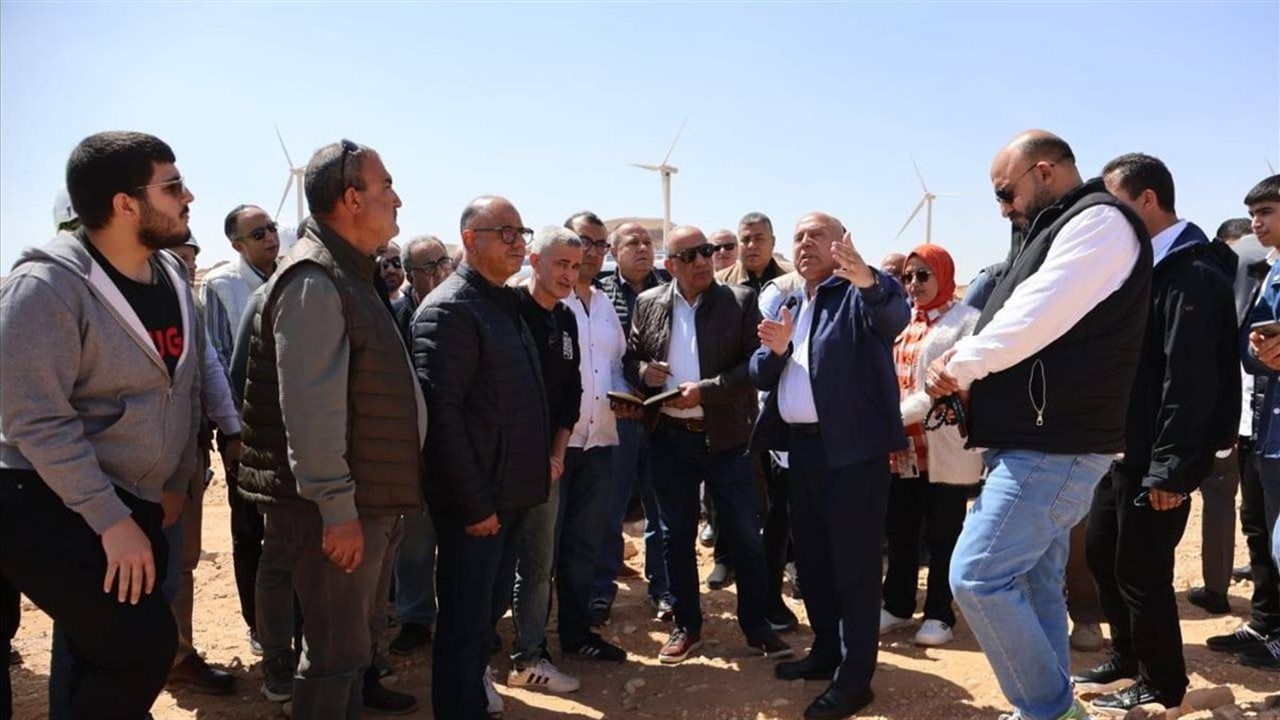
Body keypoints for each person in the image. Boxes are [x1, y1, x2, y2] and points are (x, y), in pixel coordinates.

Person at [926, 130, 1152, 720]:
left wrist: (960, 366)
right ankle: (1049, 711)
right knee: (1030, 582)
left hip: (1055, 445)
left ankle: (1052, 709)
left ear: (1045, 171)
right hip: (1032, 441)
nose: (1003, 208)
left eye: (1006, 193)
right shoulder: (1049, 230)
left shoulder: (1099, 222)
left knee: (977, 576)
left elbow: (1034, 315)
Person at [1, 130, 201, 718]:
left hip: (141, 499)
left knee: (98, 655)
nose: (188, 196)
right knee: (140, 648)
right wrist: (110, 520)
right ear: (124, 204)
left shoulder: (171, 278)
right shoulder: (46, 287)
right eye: (172, 186)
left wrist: (176, 477)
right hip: (46, 495)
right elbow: (32, 417)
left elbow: (184, 385)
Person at [238, 139, 425, 718]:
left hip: (365, 499)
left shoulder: (349, 273)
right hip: (337, 511)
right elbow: (310, 411)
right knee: (332, 655)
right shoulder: (315, 279)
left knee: (350, 649)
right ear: (352, 199)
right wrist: (337, 509)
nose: (397, 198)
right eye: (386, 185)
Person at [1073, 154, 1239, 711]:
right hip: (1121, 447)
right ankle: (1127, 656)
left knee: (1142, 570)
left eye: (1115, 203)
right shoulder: (1142, 267)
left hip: (1159, 456)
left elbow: (1189, 381)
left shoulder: (1193, 273)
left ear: (1148, 200)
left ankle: (1163, 682)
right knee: (1102, 552)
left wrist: (1170, 469)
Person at [751, 213, 908, 718]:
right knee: (814, 561)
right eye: (798, 236)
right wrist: (776, 351)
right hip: (801, 454)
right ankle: (825, 651)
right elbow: (760, 371)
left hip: (853, 456)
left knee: (855, 568)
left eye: (817, 235)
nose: (805, 243)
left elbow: (895, 316)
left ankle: (856, 679)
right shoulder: (793, 302)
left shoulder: (858, 296)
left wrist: (868, 280)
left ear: (842, 245)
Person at [625, 225, 792, 664]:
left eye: (706, 251)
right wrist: (643, 373)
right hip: (670, 439)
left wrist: (707, 390)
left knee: (745, 536)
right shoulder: (648, 303)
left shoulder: (738, 301)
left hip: (728, 439)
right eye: (690, 255)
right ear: (670, 265)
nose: (702, 261)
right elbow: (632, 358)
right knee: (676, 537)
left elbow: (753, 367)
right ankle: (687, 626)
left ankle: (757, 627)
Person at [413, 196, 550, 719]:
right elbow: (441, 420)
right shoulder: (449, 309)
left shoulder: (501, 302)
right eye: (505, 232)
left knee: (483, 619)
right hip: (478, 506)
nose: (518, 243)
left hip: (508, 496)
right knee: (464, 625)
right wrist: (475, 506)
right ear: (471, 240)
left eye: (521, 232)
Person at [880, 244, 980, 649]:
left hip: (945, 448)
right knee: (900, 531)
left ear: (944, 275)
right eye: (908, 276)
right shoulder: (902, 320)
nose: (914, 284)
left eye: (923, 275)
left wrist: (889, 419)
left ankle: (940, 613)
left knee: (943, 535)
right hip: (903, 450)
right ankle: (897, 605)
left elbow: (948, 384)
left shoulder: (966, 322)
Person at [504, 225, 585, 693]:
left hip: (546, 469)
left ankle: (529, 655)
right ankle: (475, 664)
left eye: (576, 266)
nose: (569, 275)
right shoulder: (507, 310)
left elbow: (570, 393)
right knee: (492, 569)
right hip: (504, 468)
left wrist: (556, 453)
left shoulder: (566, 318)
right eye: (561, 264)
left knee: (537, 566)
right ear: (535, 261)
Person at [203, 204, 280, 656]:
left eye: (271, 229)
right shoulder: (222, 285)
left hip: (291, 430)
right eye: (258, 234)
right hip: (245, 432)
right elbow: (217, 358)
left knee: (291, 532)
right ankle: (259, 624)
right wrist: (234, 432)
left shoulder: (290, 276)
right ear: (237, 245)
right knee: (250, 531)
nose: (270, 238)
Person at [555, 214, 631, 662]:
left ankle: (576, 633)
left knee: (584, 544)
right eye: (585, 241)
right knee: (540, 549)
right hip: (555, 446)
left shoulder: (604, 305)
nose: (593, 251)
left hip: (600, 441)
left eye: (601, 245)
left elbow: (616, 363)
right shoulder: (542, 298)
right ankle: (529, 644)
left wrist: (627, 395)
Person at [593, 221, 674, 625]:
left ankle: (664, 589)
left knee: (662, 509)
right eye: (633, 242)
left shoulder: (670, 289)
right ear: (614, 251)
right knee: (610, 508)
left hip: (663, 415)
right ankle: (600, 591)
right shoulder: (599, 294)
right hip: (617, 418)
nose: (643, 248)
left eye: (647, 242)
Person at [1239, 174, 1280, 672]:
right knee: (1267, 537)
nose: (1256, 223)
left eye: (1266, 212)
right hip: (1267, 429)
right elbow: (1250, 353)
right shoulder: (1267, 272)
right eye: (1252, 214)